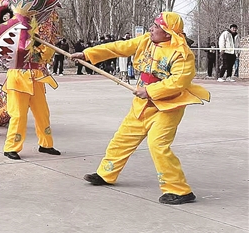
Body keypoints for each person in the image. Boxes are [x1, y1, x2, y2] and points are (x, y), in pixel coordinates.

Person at [72, 12, 210, 205]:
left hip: (168, 107)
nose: (151, 29)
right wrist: (88, 54)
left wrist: (151, 91)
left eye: (156, 26)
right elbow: (119, 47)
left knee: (157, 145)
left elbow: (179, 81)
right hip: (142, 104)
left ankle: (179, 190)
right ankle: (106, 174)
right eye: (152, 25)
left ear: (168, 33)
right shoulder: (146, 41)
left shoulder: (182, 54)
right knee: (122, 138)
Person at [2, 39, 60, 159]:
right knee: (18, 115)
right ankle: (11, 147)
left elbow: (48, 55)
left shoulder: (38, 35)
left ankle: (46, 144)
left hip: (37, 79)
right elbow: (4, 55)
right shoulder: (10, 34)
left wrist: (39, 44)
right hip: (18, 79)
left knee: (42, 113)